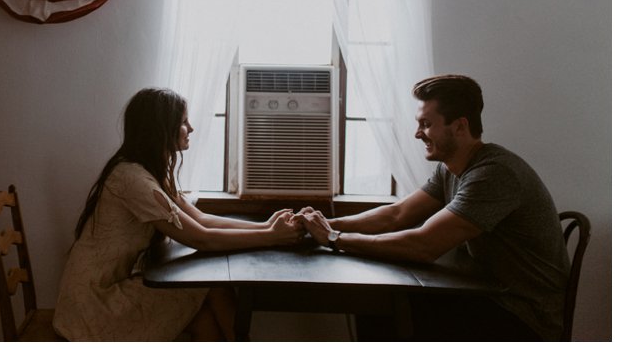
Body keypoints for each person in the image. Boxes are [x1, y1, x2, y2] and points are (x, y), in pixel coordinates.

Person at [298, 74, 570, 341]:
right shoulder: (450, 168)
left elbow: (424, 245)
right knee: (378, 302)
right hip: (486, 295)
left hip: (523, 317)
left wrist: (335, 239)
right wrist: (327, 224)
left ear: (460, 127)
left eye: (426, 124)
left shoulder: (494, 174)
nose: (418, 134)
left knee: (383, 306)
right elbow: (397, 214)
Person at [53, 87, 303, 342]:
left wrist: (266, 227)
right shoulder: (132, 179)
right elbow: (201, 238)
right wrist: (273, 237)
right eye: (183, 122)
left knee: (202, 313)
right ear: (161, 128)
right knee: (211, 287)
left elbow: (201, 220)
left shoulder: (149, 173)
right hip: (95, 306)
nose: (191, 128)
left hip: (102, 295)